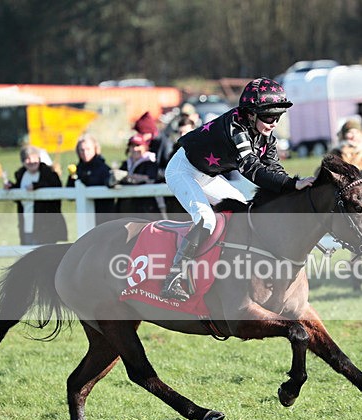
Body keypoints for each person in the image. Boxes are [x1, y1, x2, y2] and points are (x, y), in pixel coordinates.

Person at [160, 77, 315, 301]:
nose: (273, 123)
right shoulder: (236, 127)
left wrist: (295, 187)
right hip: (182, 171)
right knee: (207, 219)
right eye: (269, 116)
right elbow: (252, 170)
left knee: (241, 209)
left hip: (208, 175)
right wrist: (291, 185)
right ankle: (173, 278)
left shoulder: (264, 134)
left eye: (278, 117)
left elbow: (273, 168)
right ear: (251, 113)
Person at [6, 146, 67, 245]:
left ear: (39, 158)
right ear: (23, 161)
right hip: (26, 224)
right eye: (27, 159)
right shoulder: (21, 175)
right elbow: (20, 196)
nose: (31, 162)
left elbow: (56, 186)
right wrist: (10, 187)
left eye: (34, 158)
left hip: (45, 225)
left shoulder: (48, 173)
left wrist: (36, 186)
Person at [67, 134, 116, 225]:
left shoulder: (104, 168)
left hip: (104, 217)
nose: (85, 153)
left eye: (88, 149)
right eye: (82, 150)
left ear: (95, 149)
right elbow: (69, 195)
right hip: (85, 218)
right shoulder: (77, 170)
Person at [115, 134, 165, 219]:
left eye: (138, 145)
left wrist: (127, 177)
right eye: (132, 146)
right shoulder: (125, 164)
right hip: (127, 210)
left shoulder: (151, 163)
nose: (135, 149)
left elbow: (150, 178)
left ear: (145, 147)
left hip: (147, 211)